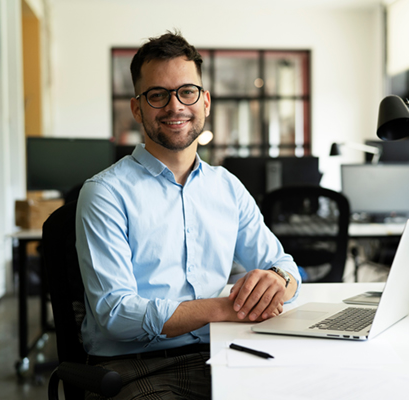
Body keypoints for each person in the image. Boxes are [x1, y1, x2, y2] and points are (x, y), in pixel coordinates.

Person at [75, 31, 301, 400]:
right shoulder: (105, 193)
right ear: (137, 108)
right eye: (158, 95)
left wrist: (277, 281)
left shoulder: (227, 187)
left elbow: (285, 264)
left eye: (187, 92)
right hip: (139, 364)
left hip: (227, 348)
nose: (175, 106)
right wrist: (225, 308)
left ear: (205, 101)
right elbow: (116, 313)